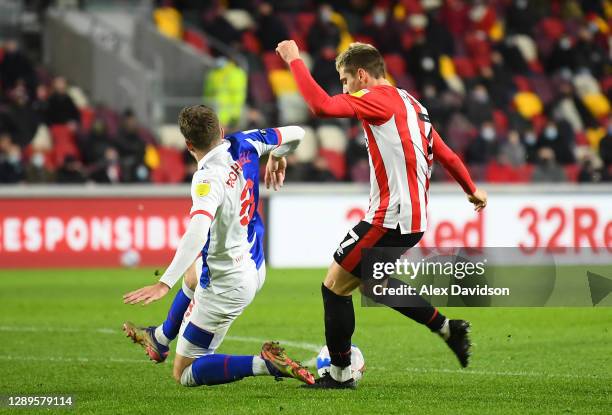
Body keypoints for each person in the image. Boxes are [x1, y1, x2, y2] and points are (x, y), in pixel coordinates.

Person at [276, 40, 487, 389]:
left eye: (345, 81)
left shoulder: (378, 98)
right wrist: (471, 189)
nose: (344, 89)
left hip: (390, 217)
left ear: (361, 76)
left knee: (335, 288)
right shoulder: (413, 104)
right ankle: (448, 328)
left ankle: (341, 373)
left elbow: (321, 106)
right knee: (376, 284)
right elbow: (446, 153)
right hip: (413, 219)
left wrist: (295, 61)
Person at [122, 105, 314, 387]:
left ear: (188, 145)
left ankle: (265, 364)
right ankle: (160, 339)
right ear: (221, 131)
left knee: (184, 373)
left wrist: (163, 283)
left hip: (227, 285)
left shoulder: (207, 179)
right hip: (255, 261)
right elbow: (297, 133)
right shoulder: (245, 141)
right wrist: (277, 154)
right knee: (192, 272)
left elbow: (197, 232)